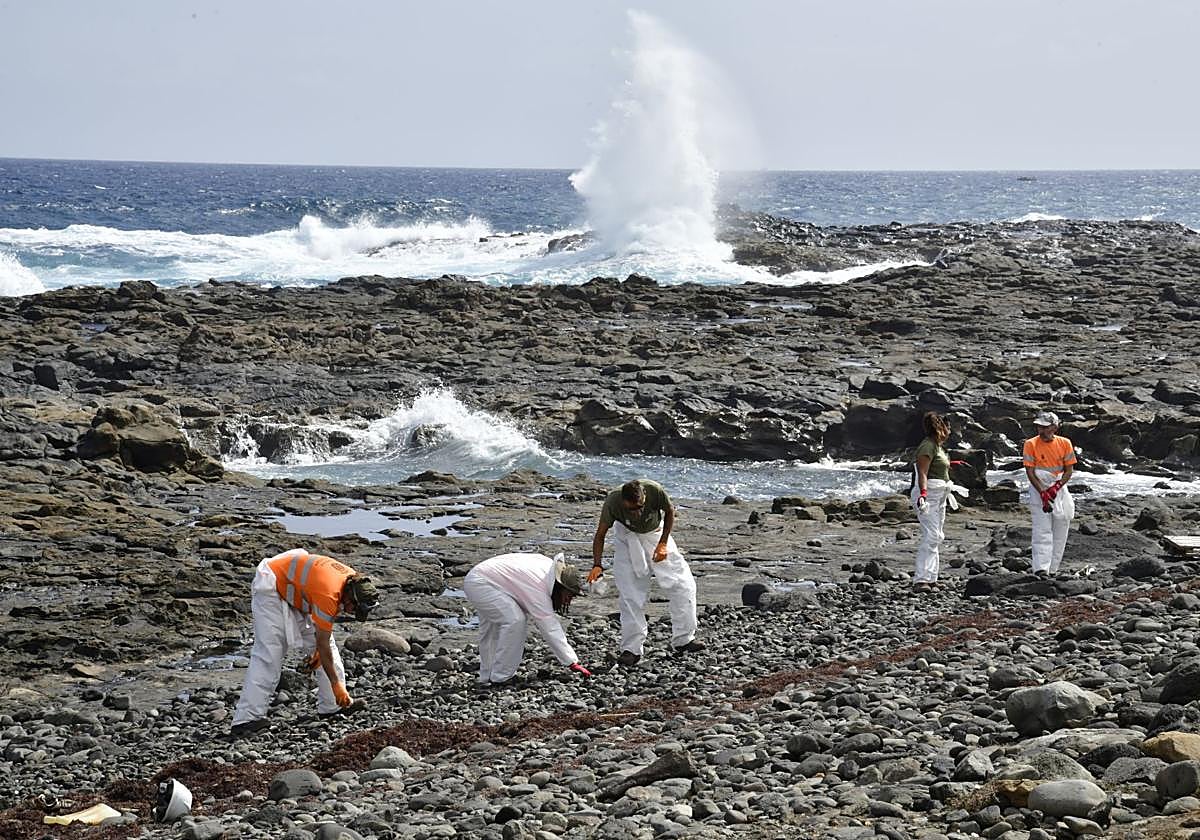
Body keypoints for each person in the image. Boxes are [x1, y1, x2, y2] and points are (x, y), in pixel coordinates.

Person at [231, 548, 379, 736]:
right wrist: (335, 683)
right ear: (351, 598)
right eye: (353, 608)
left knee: (329, 651)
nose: (350, 612)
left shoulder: (352, 582)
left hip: (298, 589)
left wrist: (319, 650)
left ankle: (332, 705)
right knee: (269, 653)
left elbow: (323, 642)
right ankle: (246, 719)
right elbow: (322, 642)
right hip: (272, 584)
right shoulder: (329, 595)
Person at [588, 479, 703, 667]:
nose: (637, 513)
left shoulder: (655, 490)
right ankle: (631, 650)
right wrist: (597, 565)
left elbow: (670, 512)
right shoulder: (612, 502)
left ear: (645, 497)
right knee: (630, 594)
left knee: (683, 584)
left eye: (640, 507)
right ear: (623, 502)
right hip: (627, 537)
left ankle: (684, 640)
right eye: (631, 509)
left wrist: (663, 543)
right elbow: (600, 534)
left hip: (655, 532)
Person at [463, 552, 591, 686]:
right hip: (482, 583)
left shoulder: (546, 570)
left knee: (491, 630)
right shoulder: (540, 587)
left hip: (481, 578)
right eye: (569, 595)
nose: (568, 600)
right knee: (515, 621)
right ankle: (502, 677)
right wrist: (571, 662)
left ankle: (487, 676)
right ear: (560, 586)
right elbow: (549, 627)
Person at [910, 412, 969, 591]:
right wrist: (923, 494)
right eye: (948, 428)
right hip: (930, 494)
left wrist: (953, 464)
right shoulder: (927, 447)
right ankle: (921, 579)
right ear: (941, 428)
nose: (950, 432)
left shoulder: (937, 447)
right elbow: (922, 472)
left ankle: (931, 577)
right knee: (932, 535)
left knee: (937, 536)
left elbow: (938, 467)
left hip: (940, 493)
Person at [1023, 410, 1077, 575]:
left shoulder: (1064, 443)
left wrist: (1057, 486)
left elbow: (1069, 470)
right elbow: (1030, 472)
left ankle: (1052, 568)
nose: (1041, 430)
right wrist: (1042, 492)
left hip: (1058, 487)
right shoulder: (1030, 444)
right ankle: (1041, 568)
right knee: (1042, 528)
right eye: (1039, 427)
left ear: (1054, 427)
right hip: (1039, 486)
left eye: (1045, 427)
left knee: (1061, 525)